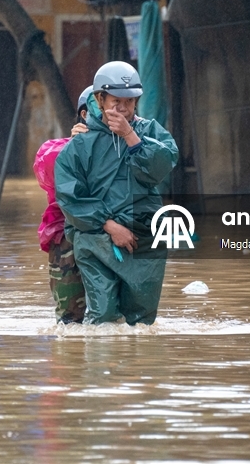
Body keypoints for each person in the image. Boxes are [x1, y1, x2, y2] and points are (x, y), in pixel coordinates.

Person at [55, 61, 179, 325]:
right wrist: (109, 226)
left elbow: (162, 166)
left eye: (130, 101)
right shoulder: (78, 145)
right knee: (103, 318)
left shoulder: (149, 132)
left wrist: (131, 136)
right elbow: (70, 197)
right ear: (100, 100)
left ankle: (133, 366)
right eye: (115, 101)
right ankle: (101, 364)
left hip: (143, 238)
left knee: (142, 321)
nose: (123, 108)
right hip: (96, 239)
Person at [33, 87, 91, 324]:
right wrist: (75, 148)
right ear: (85, 115)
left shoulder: (125, 146)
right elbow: (46, 170)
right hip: (67, 238)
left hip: (111, 236)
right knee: (70, 321)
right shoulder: (59, 149)